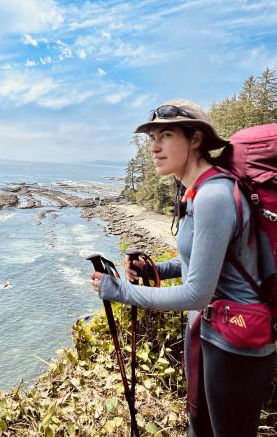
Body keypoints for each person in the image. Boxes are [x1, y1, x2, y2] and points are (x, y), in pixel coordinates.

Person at [90, 98, 276, 437]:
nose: (155, 147)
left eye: (166, 136)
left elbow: (196, 293)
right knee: (198, 428)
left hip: (236, 344)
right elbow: (204, 263)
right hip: (214, 333)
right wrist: (156, 269)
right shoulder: (196, 192)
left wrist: (120, 291)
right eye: (152, 138)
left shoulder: (214, 196)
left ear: (195, 139)